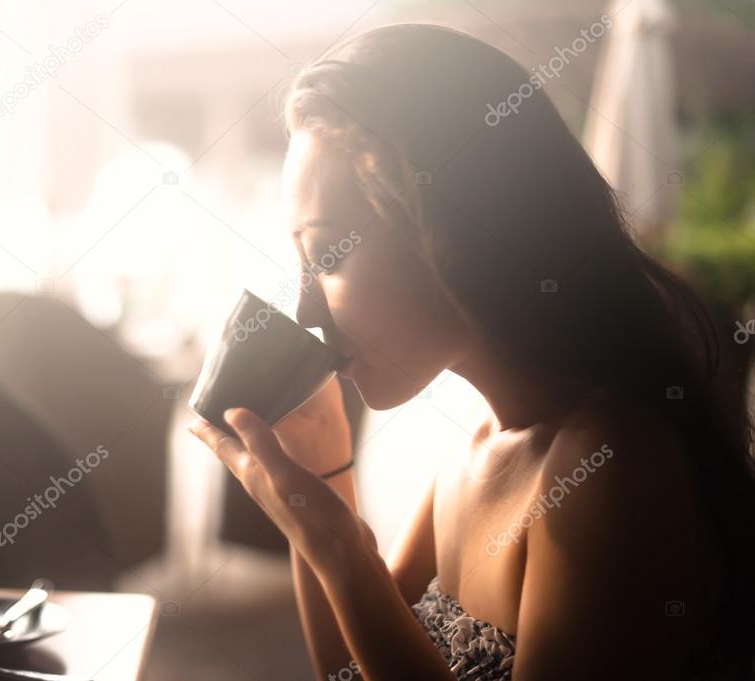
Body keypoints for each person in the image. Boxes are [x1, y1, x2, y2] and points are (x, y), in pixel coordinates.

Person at [188, 23, 755, 681]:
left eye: (327, 255)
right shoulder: (477, 443)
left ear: (446, 231)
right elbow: (351, 667)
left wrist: (339, 549)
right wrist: (322, 484)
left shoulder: (606, 470)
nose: (305, 310)